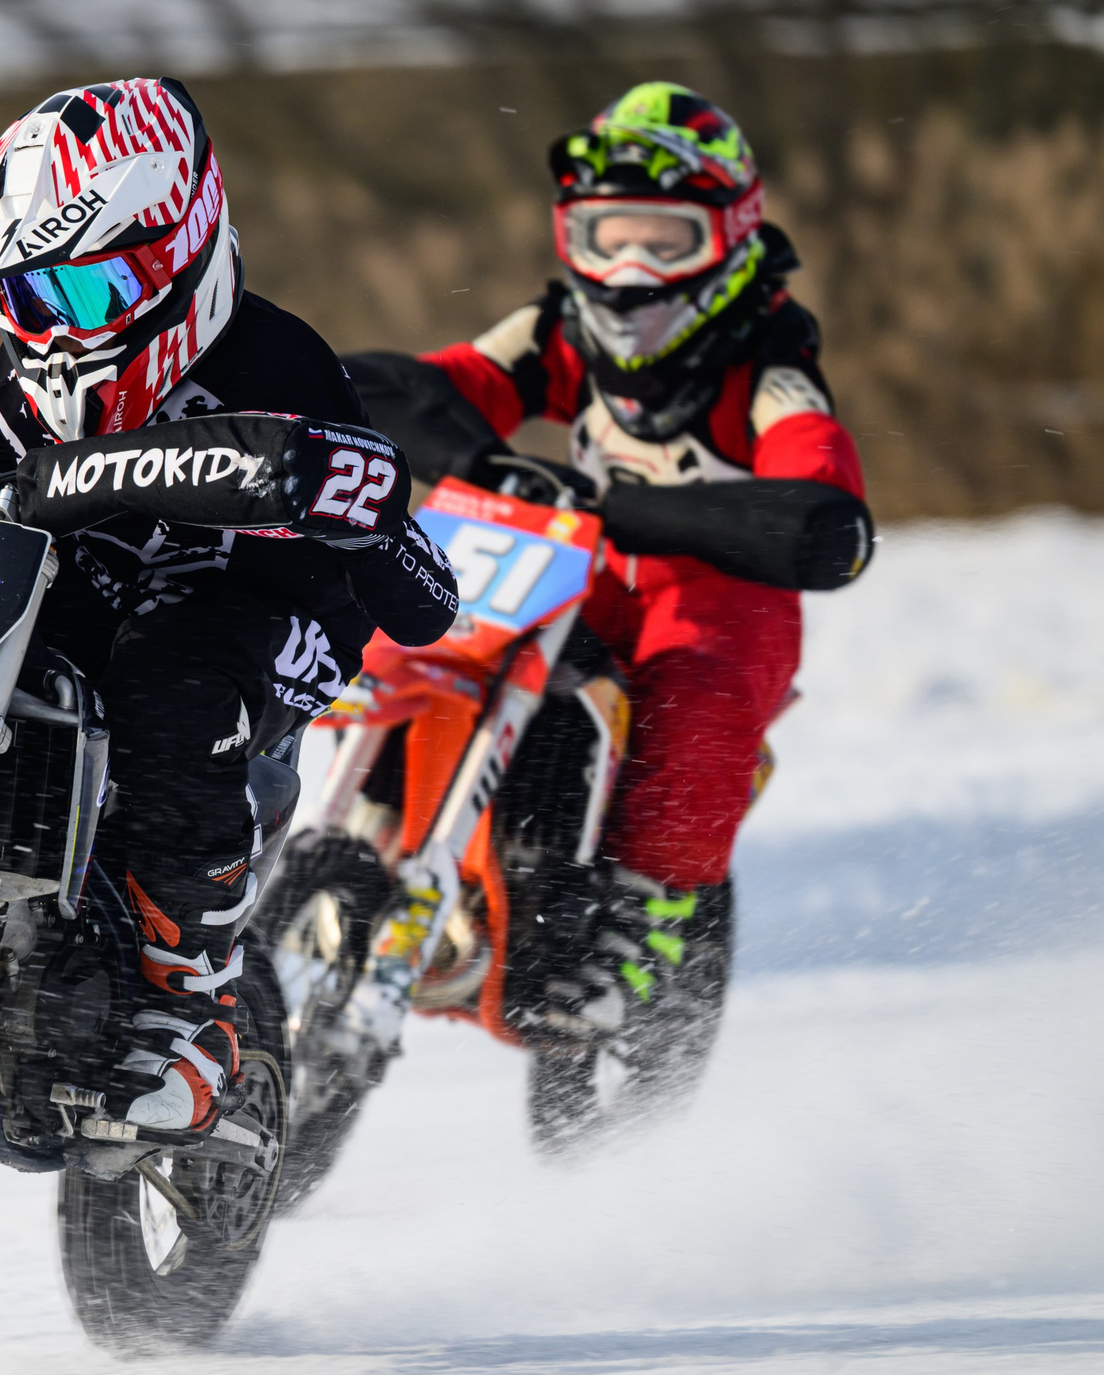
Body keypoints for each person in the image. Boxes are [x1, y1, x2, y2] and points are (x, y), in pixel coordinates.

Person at [0, 77, 460, 1132]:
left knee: (168, 686)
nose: (47, 331)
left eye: (73, 297)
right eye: (19, 301)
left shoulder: (277, 360)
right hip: (107, 577)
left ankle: (186, 1001)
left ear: (173, 258)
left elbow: (413, 586)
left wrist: (356, 505)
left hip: (265, 602)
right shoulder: (30, 370)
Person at [352, 82, 874, 1036]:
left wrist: (708, 511)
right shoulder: (561, 330)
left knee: (695, 697)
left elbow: (820, 493)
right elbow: (444, 384)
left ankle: (653, 910)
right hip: (579, 567)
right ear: (571, 237)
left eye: (663, 240)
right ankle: (374, 821)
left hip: (719, 592)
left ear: (729, 235)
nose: (630, 268)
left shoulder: (766, 360)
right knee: (438, 618)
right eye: (607, 236)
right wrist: (451, 446)